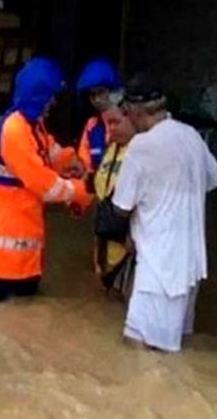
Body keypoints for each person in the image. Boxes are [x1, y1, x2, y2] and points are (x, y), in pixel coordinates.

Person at [113, 74, 217, 352]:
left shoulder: (141, 146)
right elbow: (215, 179)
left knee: (137, 350)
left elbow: (120, 207)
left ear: (136, 111)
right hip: (191, 266)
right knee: (175, 348)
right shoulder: (191, 136)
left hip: (157, 268)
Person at [0, 57, 91, 302]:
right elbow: (45, 186)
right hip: (0, 252)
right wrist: (82, 190)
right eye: (49, 96)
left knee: (25, 301)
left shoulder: (29, 124)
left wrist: (71, 161)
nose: (52, 103)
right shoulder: (15, 130)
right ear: (37, 95)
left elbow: (47, 150)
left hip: (22, 245)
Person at [89, 101, 137, 295]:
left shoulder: (142, 152)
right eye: (108, 123)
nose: (111, 128)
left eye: (116, 122)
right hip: (105, 243)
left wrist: (132, 237)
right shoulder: (111, 148)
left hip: (128, 247)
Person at [76, 58, 122, 173]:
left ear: (112, 91)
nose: (96, 99)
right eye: (93, 95)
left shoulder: (128, 121)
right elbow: (84, 164)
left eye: (101, 92)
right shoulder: (91, 126)